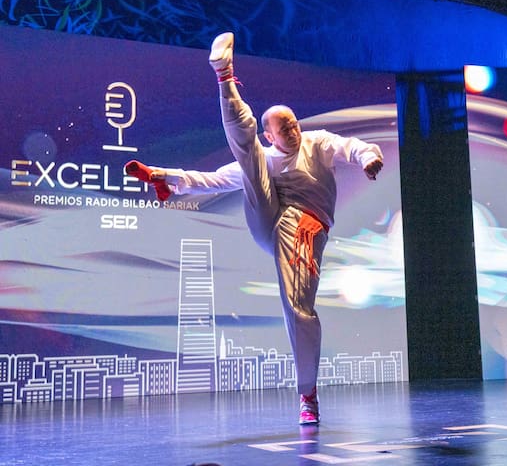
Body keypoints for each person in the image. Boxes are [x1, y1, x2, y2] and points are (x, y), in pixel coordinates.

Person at [126, 32, 384, 424]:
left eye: (294, 124)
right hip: (268, 223)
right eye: (285, 129)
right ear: (270, 135)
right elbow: (214, 179)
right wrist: (163, 176)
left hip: (305, 229)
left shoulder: (317, 142)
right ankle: (224, 76)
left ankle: (308, 394)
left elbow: (352, 146)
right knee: (248, 161)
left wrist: (368, 158)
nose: (294, 132)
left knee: (297, 308)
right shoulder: (263, 156)